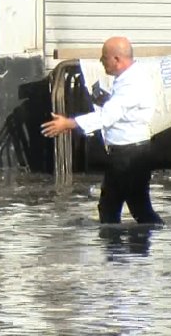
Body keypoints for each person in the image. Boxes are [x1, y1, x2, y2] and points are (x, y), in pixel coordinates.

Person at [42, 36, 164, 225]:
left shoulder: (131, 83)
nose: (101, 61)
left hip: (128, 155)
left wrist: (68, 123)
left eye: (104, 57)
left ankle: (114, 252)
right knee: (140, 207)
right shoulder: (131, 77)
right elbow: (121, 111)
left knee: (109, 208)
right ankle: (138, 251)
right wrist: (106, 101)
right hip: (135, 151)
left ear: (117, 59)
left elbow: (107, 116)